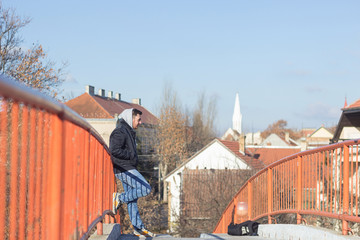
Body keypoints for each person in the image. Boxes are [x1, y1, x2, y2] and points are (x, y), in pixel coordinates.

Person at [110, 108, 155, 237]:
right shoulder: (120, 131)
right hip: (124, 169)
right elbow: (114, 150)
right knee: (145, 188)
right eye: (138, 119)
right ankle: (119, 198)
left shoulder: (128, 131)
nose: (140, 122)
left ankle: (138, 228)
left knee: (133, 199)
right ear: (131, 118)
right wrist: (130, 155)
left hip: (128, 167)